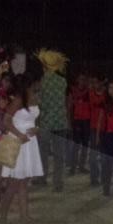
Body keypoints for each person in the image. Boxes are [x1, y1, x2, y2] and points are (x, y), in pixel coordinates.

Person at [0, 75, 43, 224]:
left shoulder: (34, 98)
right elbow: (6, 121)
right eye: (38, 81)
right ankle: (2, 218)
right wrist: (19, 135)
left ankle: (24, 215)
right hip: (16, 141)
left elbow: (35, 120)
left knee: (23, 182)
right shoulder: (18, 100)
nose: (40, 83)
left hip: (29, 142)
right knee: (13, 183)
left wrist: (36, 129)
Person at [36, 49, 70, 193]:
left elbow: (39, 103)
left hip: (46, 122)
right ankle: (58, 184)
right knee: (59, 156)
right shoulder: (63, 81)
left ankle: (42, 177)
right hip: (61, 122)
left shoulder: (42, 83)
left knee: (43, 153)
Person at [68, 74, 91, 175]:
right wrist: (69, 121)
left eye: (83, 79)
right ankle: (73, 167)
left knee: (85, 145)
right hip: (77, 120)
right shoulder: (74, 91)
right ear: (77, 80)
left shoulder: (89, 92)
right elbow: (69, 107)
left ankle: (81, 166)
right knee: (76, 145)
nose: (82, 81)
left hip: (86, 121)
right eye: (80, 79)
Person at [88, 75, 106, 186]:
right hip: (94, 128)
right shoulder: (90, 94)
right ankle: (94, 178)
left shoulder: (106, 95)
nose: (94, 85)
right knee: (93, 155)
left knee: (104, 155)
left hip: (105, 128)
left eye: (96, 82)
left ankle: (104, 176)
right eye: (92, 83)